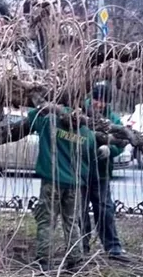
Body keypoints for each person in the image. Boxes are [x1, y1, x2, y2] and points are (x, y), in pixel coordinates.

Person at [28, 103, 96, 272]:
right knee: (72, 222)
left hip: (52, 181)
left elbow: (32, 115)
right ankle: (75, 260)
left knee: (47, 221)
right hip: (74, 184)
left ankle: (44, 260)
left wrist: (50, 106)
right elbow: (91, 158)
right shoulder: (88, 134)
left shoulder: (49, 122)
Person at [80, 81, 130, 262]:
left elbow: (121, 141)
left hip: (101, 173)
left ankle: (113, 248)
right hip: (80, 172)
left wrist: (111, 150)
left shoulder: (113, 119)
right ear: (90, 98)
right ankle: (81, 247)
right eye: (96, 99)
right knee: (80, 211)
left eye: (103, 101)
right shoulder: (78, 112)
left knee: (105, 210)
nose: (98, 104)